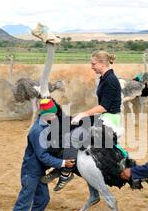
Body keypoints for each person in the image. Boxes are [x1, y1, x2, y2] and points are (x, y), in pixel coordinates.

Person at [0, 98, 75, 211]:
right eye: (52, 115)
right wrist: (63, 163)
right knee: (23, 205)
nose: (55, 117)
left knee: (43, 199)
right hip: (31, 173)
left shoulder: (46, 125)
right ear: (44, 114)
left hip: (37, 172)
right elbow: (43, 156)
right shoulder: (37, 131)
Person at [42, 50, 122, 191]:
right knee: (67, 125)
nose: (91, 67)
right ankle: (61, 165)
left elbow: (104, 107)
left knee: (75, 136)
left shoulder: (110, 81)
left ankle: (66, 172)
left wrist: (84, 114)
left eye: (93, 64)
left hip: (109, 120)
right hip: (102, 117)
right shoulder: (104, 77)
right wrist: (82, 115)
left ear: (102, 64)